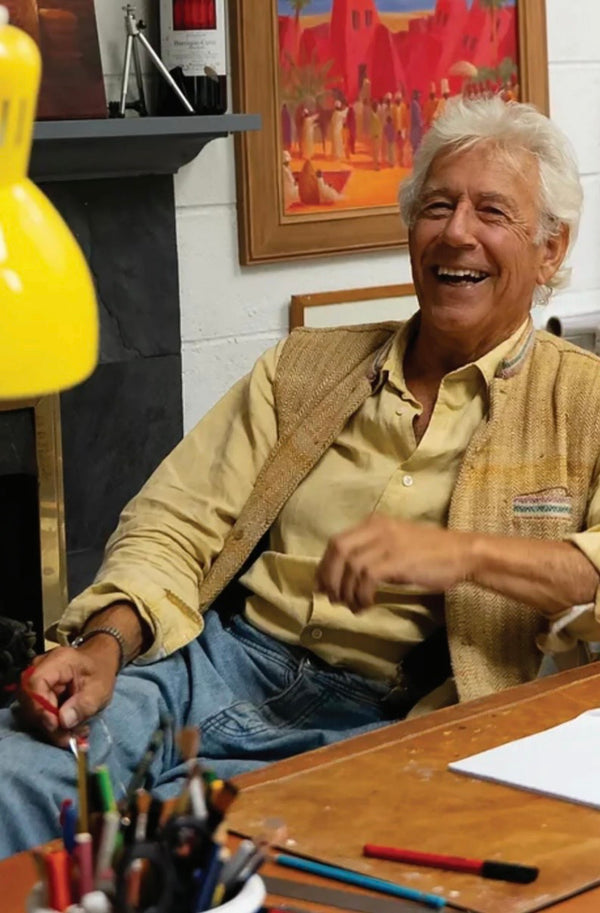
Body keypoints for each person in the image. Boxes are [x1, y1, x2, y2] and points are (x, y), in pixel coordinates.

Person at [2, 96, 600, 859]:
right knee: (17, 777)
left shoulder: (582, 401)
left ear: (550, 249)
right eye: (437, 206)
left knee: (213, 861)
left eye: (492, 211)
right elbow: (174, 522)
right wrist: (104, 644)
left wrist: (463, 555)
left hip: (392, 721)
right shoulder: (303, 366)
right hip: (215, 665)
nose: (456, 232)